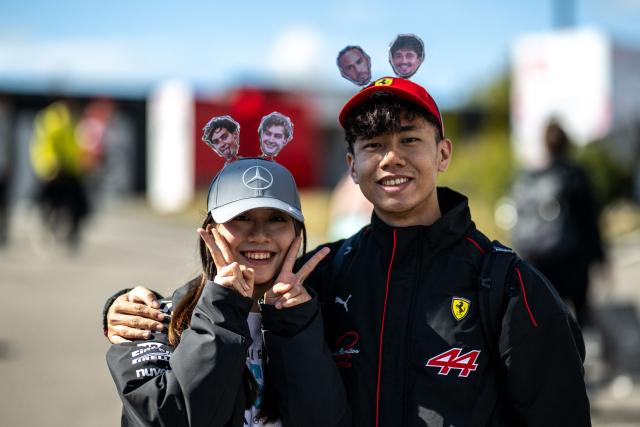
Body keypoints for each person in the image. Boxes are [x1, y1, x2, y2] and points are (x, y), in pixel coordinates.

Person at [105, 78, 591, 426]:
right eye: (374, 145)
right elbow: (230, 309)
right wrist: (126, 305)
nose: (392, 158)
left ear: (443, 153)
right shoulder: (323, 274)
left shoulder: (510, 285)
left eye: (410, 140)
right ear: (352, 166)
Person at [106, 155, 337, 426]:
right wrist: (222, 308)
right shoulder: (151, 319)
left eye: (276, 218)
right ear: (211, 230)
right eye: (241, 217)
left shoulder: (322, 316)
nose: (260, 234)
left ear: (297, 233)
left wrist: (294, 325)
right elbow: (163, 419)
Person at [510, 121, 606, 327]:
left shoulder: (528, 177)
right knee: (581, 316)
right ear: (567, 143)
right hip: (572, 260)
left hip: (537, 259)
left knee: (547, 318)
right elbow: (590, 221)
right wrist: (600, 258)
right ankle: (583, 356)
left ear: (544, 144)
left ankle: (553, 358)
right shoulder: (574, 175)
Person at [30, 101, 91, 250]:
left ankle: (71, 235)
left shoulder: (72, 121)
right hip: (53, 170)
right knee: (49, 203)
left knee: (78, 205)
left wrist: (80, 163)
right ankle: (46, 230)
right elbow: (46, 144)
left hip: (69, 169)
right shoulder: (54, 119)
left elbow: (75, 146)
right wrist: (51, 164)